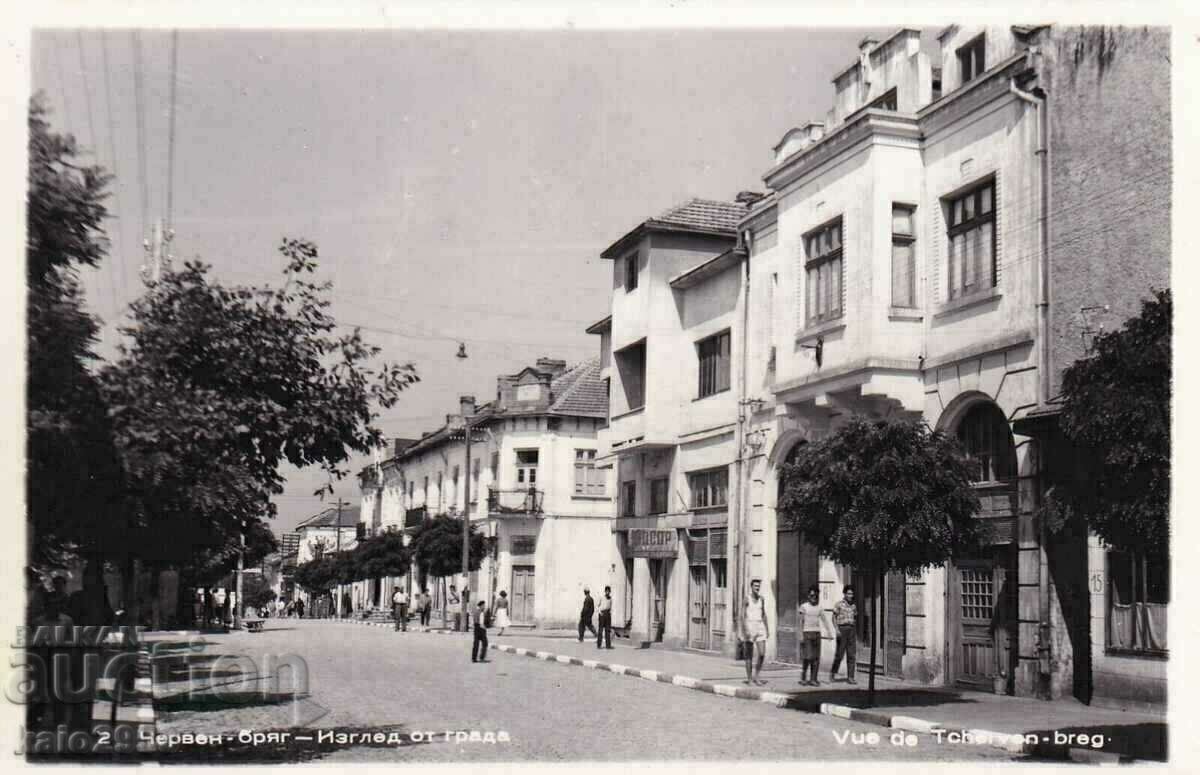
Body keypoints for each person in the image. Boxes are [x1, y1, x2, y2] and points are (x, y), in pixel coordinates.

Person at [798, 585, 830, 686]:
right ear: (808, 596)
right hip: (807, 633)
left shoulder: (819, 607)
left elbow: (824, 620)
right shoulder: (804, 606)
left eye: (815, 596)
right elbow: (800, 622)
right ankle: (803, 677)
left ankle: (813, 679)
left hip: (817, 633)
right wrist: (800, 635)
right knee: (807, 657)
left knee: (816, 658)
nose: (813, 597)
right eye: (812, 595)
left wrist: (828, 631)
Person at [742, 578, 770, 686]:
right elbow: (742, 616)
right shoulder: (747, 599)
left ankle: (756, 676)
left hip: (760, 626)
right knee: (749, 655)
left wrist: (767, 629)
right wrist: (745, 630)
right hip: (750, 626)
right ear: (751, 587)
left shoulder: (762, 599)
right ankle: (749, 679)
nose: (757, 588)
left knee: (762, 654)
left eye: (758, 586)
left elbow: (764, 614)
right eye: (755, 586)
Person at [831, 585, 858, 684]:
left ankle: (850, 677)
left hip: (851, 630)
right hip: (842, 630)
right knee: (839, 654)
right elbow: (833, 617)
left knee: (851, 654)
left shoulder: (854, 605)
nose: (851, 595)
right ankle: (833, 674)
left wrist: (854, 629)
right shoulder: (839, 604)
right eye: (849, 593)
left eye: (852, 593)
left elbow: (855, 617)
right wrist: (837, 629)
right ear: (845, 594)